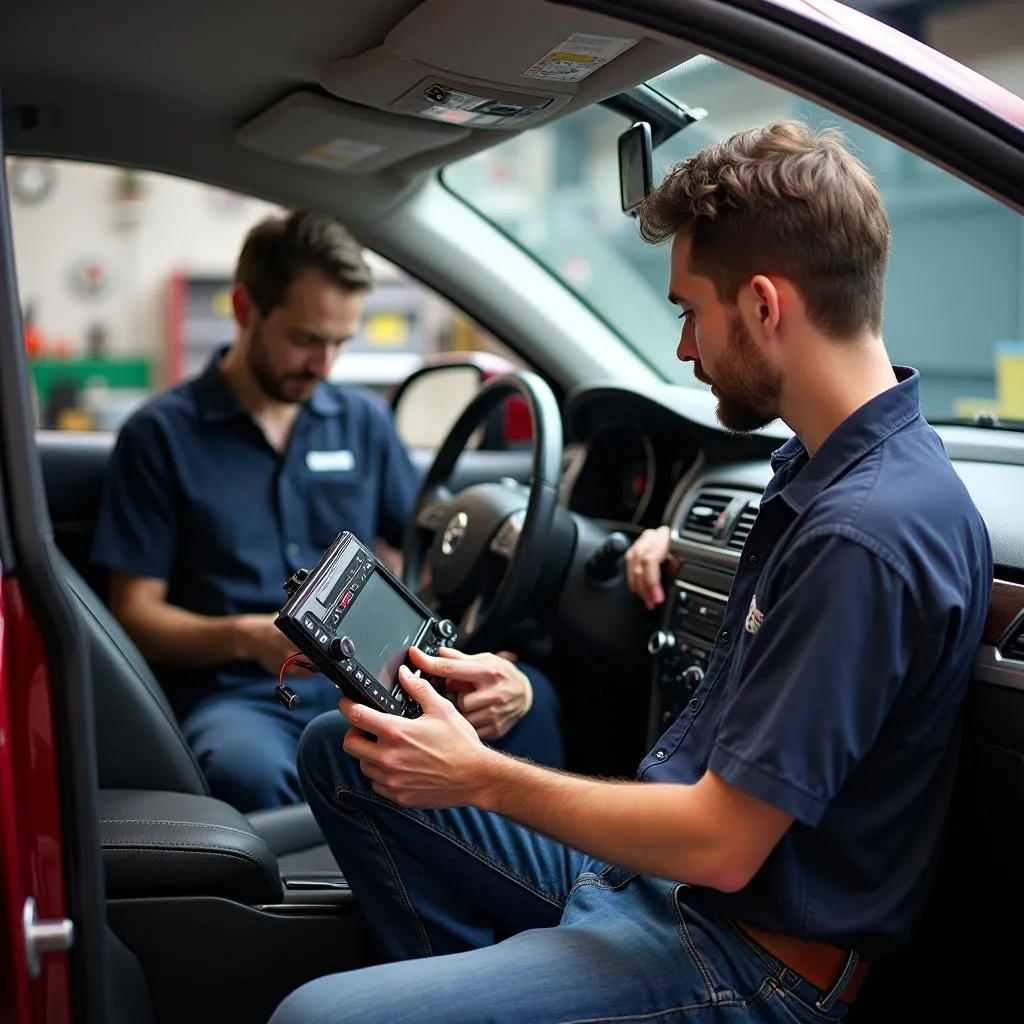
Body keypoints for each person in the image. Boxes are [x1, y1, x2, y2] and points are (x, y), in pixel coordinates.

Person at [269, 121, 993, 1024]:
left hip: (743, 956)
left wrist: (479, 776)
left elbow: (724, 846)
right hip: (657, 890)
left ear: (765, 305)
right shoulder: (826, 472)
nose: (685, 349)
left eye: (689, 310)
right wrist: (670, 550)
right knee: (345, 754)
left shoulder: (865, 534)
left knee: (313, 1019)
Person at [90, 209, 564, 813]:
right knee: (243, 767)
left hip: (384, 678)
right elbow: (134, 614)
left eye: (340, 341)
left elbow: (431, 549)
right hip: (253, 698)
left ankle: (544, 897)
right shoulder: (160, 437)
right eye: (306, 339)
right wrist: (247, 637)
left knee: (532, 700)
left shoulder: (363, 422)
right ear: (244, 310)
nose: (325, 365)